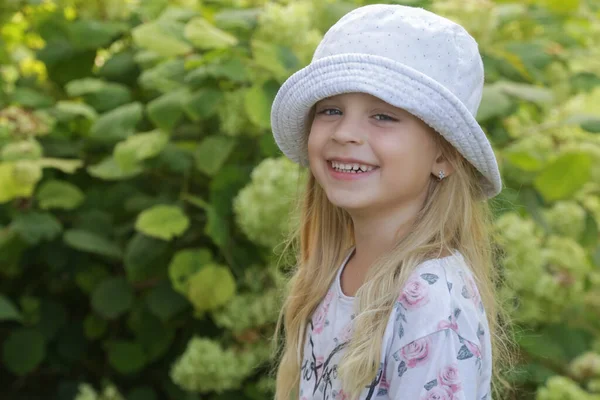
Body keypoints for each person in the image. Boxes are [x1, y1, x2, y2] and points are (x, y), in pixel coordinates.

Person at [269, 4, 515, 400]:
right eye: (331, 110)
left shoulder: (432, 299)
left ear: (444, 156)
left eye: (383, 116)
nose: (345, 132)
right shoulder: (336, 269)